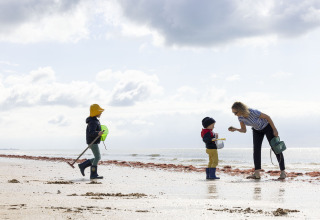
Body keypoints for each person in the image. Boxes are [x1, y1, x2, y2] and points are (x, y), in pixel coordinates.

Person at [228, 102, 286, 179]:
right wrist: (236, 129)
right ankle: (257, 174)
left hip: (267, 127)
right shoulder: (240, 117)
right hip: (256, 130)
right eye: (233, 113)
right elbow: (244, 130)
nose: (235, 114)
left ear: (240, 109)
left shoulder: (252, 112)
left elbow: (267, 117)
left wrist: (274, 129)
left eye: (235, 112)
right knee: (256, 150)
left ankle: (283, 172)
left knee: (276, 148)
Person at [78, 104, 104, 180]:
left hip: (93, 141)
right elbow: (91, 133)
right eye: (100, 111)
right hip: (92, 141)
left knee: (97, 157)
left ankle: (83, 165)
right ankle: (93, 174)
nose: (101, 113)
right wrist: (98, 133)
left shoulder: (94, 120)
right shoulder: (92, 121)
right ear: (95, 112)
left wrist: (98, 133)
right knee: (98, 157)